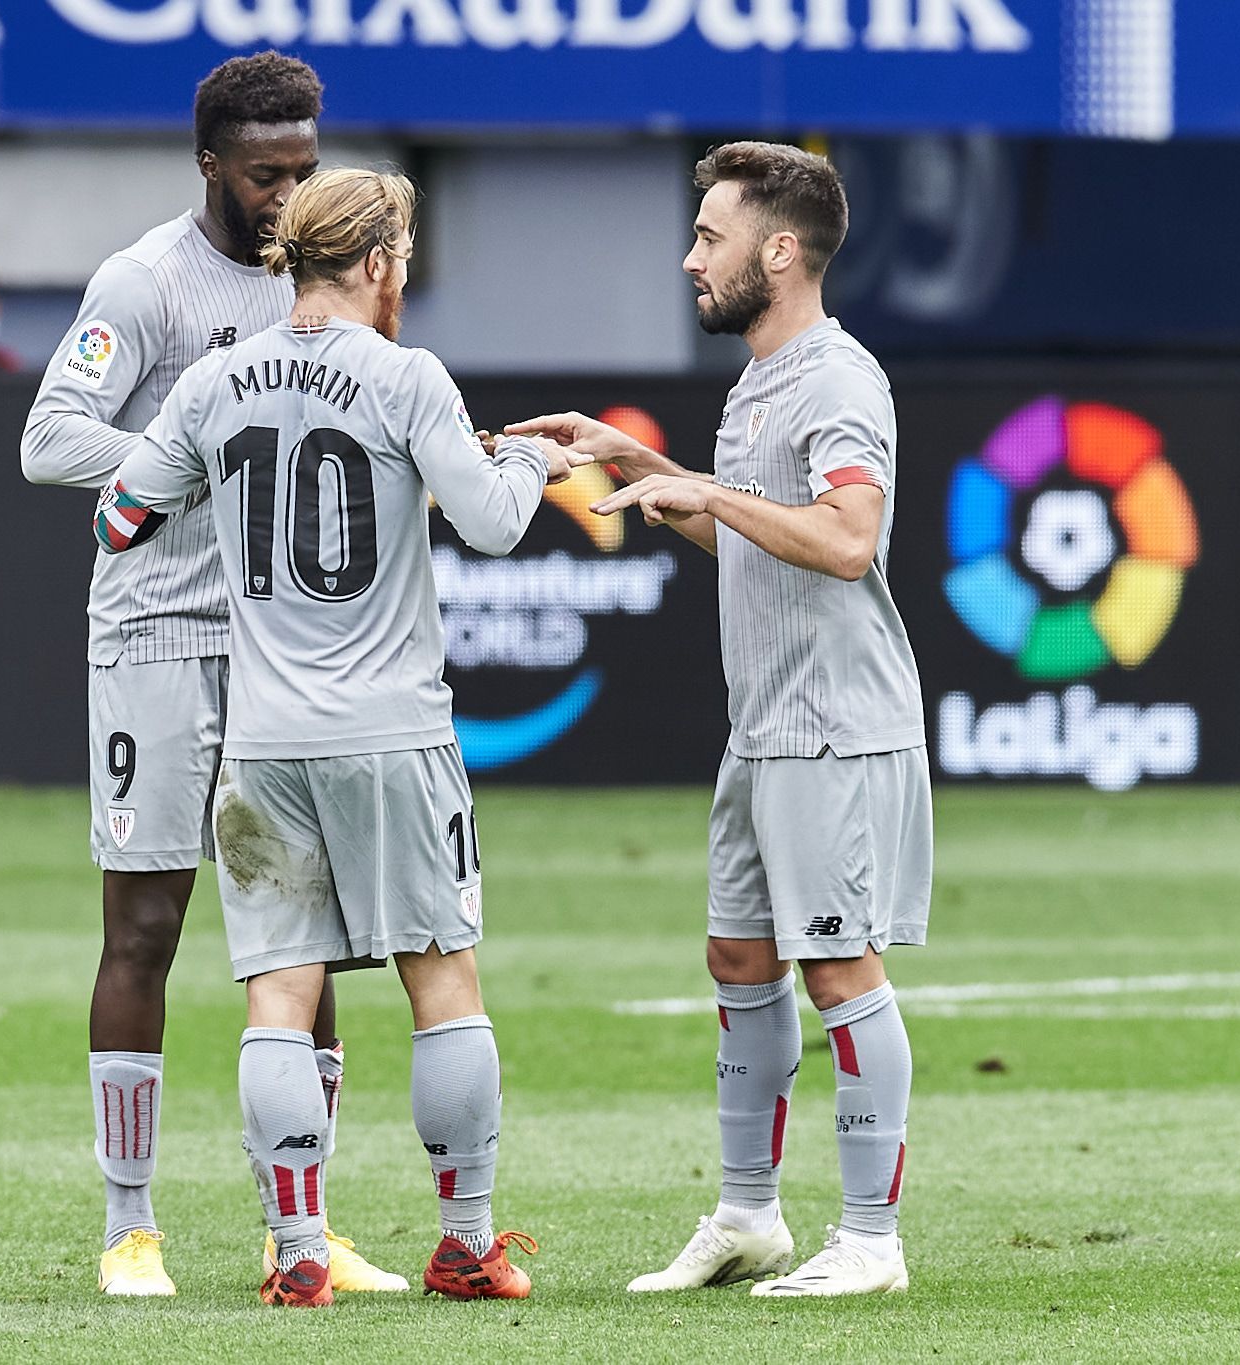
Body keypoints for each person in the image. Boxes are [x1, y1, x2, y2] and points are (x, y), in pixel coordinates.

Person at [94, 166, 578, 1308]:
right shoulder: (405, 376)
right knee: (441, 977)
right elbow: (500, 524)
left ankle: (298, 1251)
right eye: (399, 259)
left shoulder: (215, 380)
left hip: (259, 741)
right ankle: (463, 1243)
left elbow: (121, 515)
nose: (400, 277)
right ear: (371, 263)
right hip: (393, 734)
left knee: (278, 992)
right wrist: (527, 458)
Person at [508, 142, 930, 1298]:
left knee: (839, 968)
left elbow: (846, 544)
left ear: (778, 252)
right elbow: (751, 534)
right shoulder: (760, 377)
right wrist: (638, 462)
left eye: (709, 235)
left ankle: (870, 1243)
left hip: (837, 727)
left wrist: (710, 490)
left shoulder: (839, 380)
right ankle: (749, 1217)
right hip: (764, 729)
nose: (689, 256)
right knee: (738, 958)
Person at [21, 51, 401, 1298]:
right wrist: (190, 455)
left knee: (307, 934)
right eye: (263, 176)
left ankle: (306, 1227)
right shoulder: (144, 283)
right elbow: (48, 437)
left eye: (302, 172)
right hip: (153, 640)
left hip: (280, 647)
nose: (287, 201)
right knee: (146, 926)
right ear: (209, 168)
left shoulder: (326, 283)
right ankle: (130, 1225)